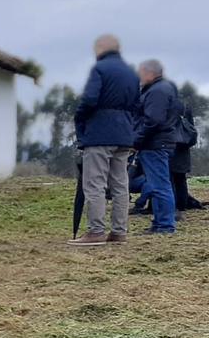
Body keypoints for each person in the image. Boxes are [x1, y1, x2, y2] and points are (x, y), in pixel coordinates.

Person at [70, 35, 140, 246]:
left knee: (95, 183)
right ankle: (119, 231)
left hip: (99, 134)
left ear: (100, 48)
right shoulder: (131, 73)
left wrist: (80, 117)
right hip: (124, 135)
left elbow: (90, 99)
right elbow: (137, 105)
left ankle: (96, 231)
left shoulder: (99, 69)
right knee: (120, 184)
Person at [135, 59, 180, 235]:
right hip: (159, 142)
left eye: (141, 72)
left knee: (160, 186)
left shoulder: (157, 91)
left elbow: (153, 120)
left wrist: (136, 139)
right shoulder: (163, 88)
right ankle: (160, 222)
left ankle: (166, 225)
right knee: (157, 185)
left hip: (155, 144)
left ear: (149, 72)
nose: (139, 76)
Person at [171, 101, 203, 212]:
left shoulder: (168, 105)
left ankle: (172, 206)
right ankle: (182, 206)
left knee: (170, 180)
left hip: (171, 147)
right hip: (183, 149)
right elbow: (190, 128)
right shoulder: (185, 106)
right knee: (181, 180)